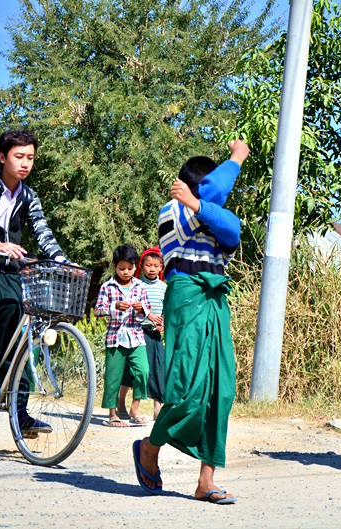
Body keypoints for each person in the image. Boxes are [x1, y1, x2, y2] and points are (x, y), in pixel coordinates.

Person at [133, 139, 249, 504]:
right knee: (187, 388)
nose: (217, 194)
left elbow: (232, 226)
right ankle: (150, 447)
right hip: (185, 295)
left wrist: (201, 199)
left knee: (221, 389)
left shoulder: (206, 210)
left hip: (216, 299)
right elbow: (214, 195)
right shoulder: (172, 210)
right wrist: (236, 158)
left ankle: (206, 480)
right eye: (204, 189)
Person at [0, 129, 69, 436]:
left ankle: (20, 412)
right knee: (5, 304)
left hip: (12, 269)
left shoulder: (29, 196)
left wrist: (60, 259)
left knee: (26, 328)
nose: (25, 163)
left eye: (30, 157)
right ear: (3, 157)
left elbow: (42, 231)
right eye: (19, 156)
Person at [95, 244, 152, 427]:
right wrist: (114, 307)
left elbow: (147, 310)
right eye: (122, 268)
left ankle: (135, 408)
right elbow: (98, 310)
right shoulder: (107, 287)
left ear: (136, 267)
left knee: (143, 371)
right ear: (114, 266)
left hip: (136, 336)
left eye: (130, 268)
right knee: (113, 375)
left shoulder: (140, 286)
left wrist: (141, 309)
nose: (126, 272)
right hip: (115, 338)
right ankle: (113, 414)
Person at [116, 246, 166, 422]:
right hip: (136, 332)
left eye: (156, 265)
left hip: (154, 335)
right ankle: (122, 403)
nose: (152, 269)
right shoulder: (136, 285)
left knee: (157, 370)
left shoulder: (163, 288)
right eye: (148, 265)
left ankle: (156, 409)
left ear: (161, 267)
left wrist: (163, 324)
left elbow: (166, 310)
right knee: (132, 372)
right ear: (141, 266)